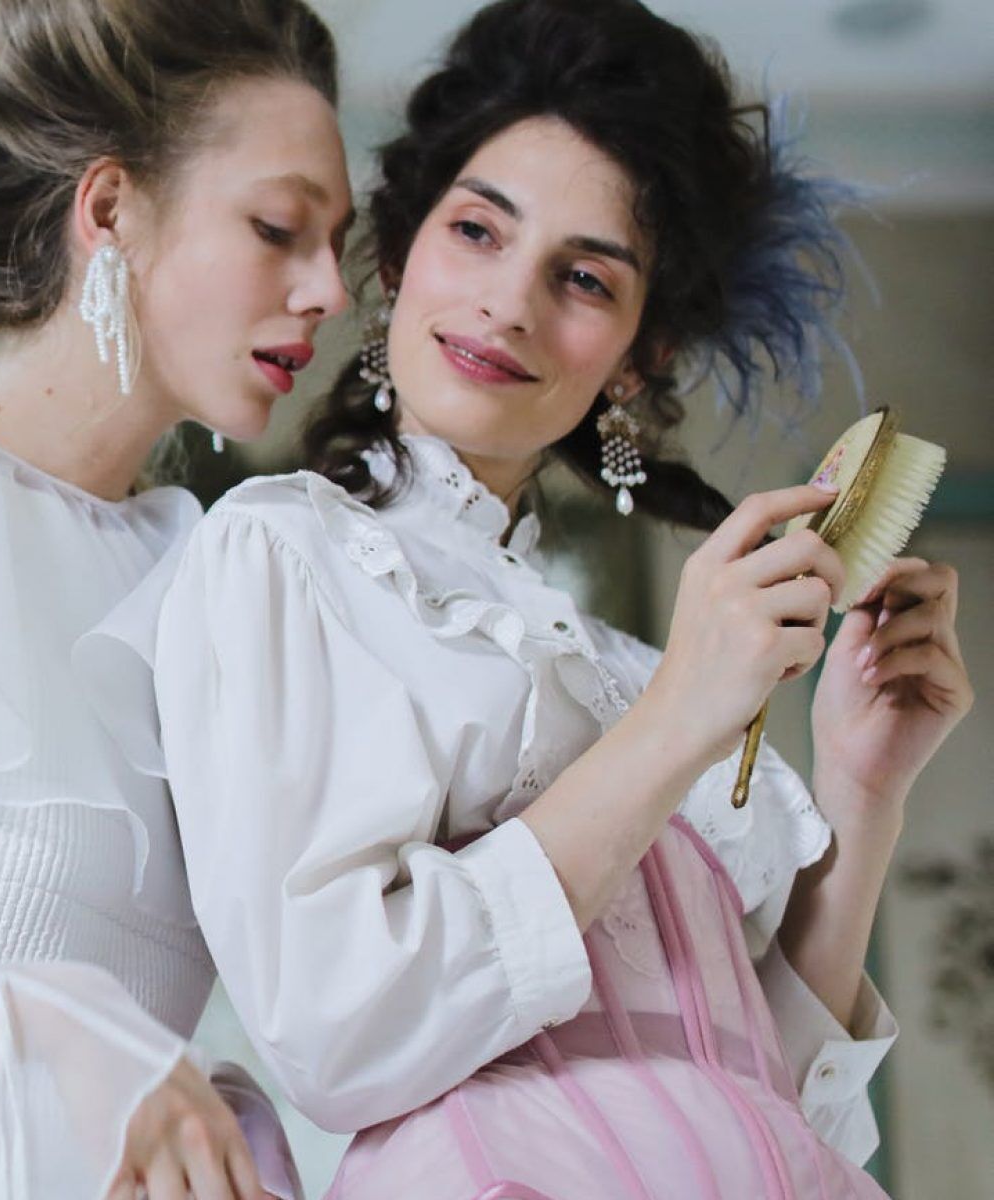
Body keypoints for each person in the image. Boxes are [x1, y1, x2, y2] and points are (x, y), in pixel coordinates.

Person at [153, 0, 972, 1196]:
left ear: (637, 356)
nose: (512, 301)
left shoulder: (628, 668)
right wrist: (681, 716)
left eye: (584, 276)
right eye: (479, 231)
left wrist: (863, 785)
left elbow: (772, 1109)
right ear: (401, 258)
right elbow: (334, 1033)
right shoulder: (283, 559)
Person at [0, 0, 352, 1197]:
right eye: (278, 228)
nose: (326, 293)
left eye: (336, 246)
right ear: (109, 210)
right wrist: (43, 1020)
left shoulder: (219, 589)